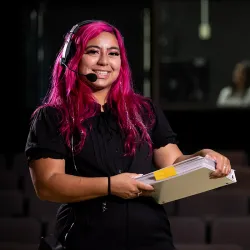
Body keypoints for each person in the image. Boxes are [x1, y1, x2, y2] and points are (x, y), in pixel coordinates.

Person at [25, 20, 232, 250]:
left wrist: (202, 157)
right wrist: (111, 186)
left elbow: (173, 162)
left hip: (151, 237)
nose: (104, 61)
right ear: (71, 58)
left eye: (113, 53)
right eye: (93, 51)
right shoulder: (52, 117)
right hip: (86, 238)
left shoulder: (144, 110)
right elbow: (48, 184)